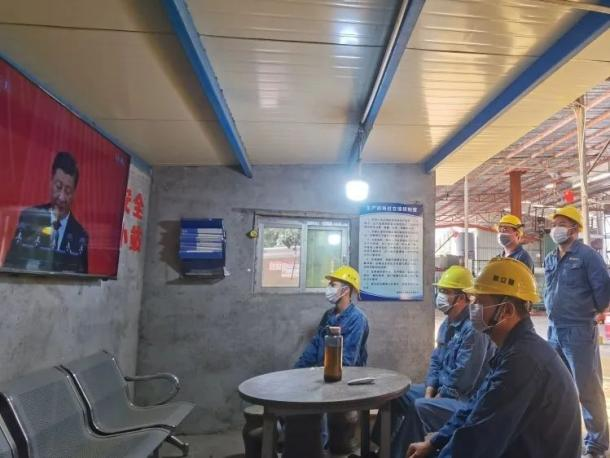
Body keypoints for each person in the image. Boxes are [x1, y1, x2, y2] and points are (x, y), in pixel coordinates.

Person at [407, 257, 582, 458]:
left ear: (506, 310)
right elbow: (476, 406)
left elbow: (479, 437)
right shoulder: (511, 349)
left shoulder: (523, 361)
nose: (473, 308)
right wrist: (434, 442)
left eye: (480, 302)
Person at [371, 266, 494, 458]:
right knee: (395, 394)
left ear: (462, 298)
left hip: (463, 399)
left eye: (446, 291)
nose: (440, 295)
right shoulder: (447, 324)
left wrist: (434, 399)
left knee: (420, 407)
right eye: (440, 290)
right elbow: (436, 361)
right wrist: (429, 390)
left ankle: (399, 454)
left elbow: (463, 379)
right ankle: (381, 450)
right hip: (440, 391)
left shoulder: (474, 330)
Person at [544, 206, 610, 458]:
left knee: (587, 389)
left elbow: (603, 290)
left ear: (575, 228)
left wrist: (597, 311)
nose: (556, 228)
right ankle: (565, 437)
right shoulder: (551, 257)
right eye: (554, 224)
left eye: (562, 223)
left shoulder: (588, 256)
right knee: (559, 388)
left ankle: (596, 445)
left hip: (579, 330)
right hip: (554, 330)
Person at [4, 152, 88, 273]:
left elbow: (82, 281)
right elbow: (9, 266)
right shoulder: (29, 218)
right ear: (51, 182)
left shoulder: (81, 236)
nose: (61, 197)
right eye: (58, 187)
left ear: (74, 193)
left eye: (68, 191)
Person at [294, 265, 368, 368]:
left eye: (333, 285)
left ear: (345, 290)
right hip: (324, 372)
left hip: (345, 375)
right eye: (329, 284)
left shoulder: (357, 319)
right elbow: (315, 346)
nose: (328, 288)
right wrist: (297, 370)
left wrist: (328, 373)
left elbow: (347, 360)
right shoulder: (328, 315)